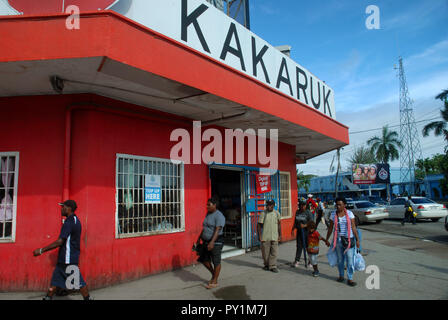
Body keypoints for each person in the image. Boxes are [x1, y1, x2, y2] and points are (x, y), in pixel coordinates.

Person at [33, 200, 92, 300]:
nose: (61, 209)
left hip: (67, 259)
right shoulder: (76, 220)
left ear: (68, 208)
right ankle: (48, 297)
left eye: (63, 207)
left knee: (78, 281)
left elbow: (60, 241)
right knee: (55, 281)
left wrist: (41, 250)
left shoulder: (69, 222)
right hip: (66, 258)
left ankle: (87, 298)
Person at [325, 197, 360, 287]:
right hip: (338, 241)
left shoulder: (350, 214)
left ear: (344, 205)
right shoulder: (333, 214)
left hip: (349, 240)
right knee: (340, 260)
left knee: (350, 260)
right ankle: (341, 276)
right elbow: (330, 228)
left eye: (340, 204)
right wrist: (327, 239)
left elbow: (353, 227)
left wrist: (357, 240)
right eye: (336, 204)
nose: (338, 206)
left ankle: (350, 278)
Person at [196, 198, 226, 289]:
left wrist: (212, 242)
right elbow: (205, 227)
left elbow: (217, 230)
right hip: (205, 241)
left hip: (216, 242)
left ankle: (215, 280)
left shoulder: (219, 216)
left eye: (209, 205)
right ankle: (214, 274)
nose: (207, 206)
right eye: (207, 204)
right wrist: (199, 238)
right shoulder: (208, 214)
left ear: (215, 205)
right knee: (204, 260)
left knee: (216, 261)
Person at [257, 199, 282, 273]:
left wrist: (280, 234)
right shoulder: (263, 213)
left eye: (270, 205)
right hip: (265, 236)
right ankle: (266, 265)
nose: (268, 207)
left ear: (273, 205)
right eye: (267, 205)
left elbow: (279, 224)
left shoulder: (277, 213)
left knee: (274, 252)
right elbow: (259, 225)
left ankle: (273, 266)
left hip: (274, 236)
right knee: (265, 253)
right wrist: (260, 235)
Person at [290, 200, 313, 268]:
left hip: (307, 232)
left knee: (307, 247)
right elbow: (295, 221)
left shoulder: (308, 212)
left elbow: (311, 223)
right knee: (299, 247)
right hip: (299, 232)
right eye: (301, 205)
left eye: (304, 205)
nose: (302, 206)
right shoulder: (297, 212)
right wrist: (293, 229)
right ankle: (297, 260)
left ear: (306, 206)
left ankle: (310, 261)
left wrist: (305, 225)